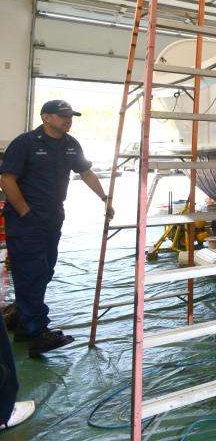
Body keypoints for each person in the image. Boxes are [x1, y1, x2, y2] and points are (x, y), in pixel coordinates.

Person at [0, 100, 114, 357]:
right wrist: (25, 212)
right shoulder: (26, 143)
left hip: (52, 217)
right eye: (62, 116)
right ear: (46, 117)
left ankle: (22, 320)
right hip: (26, 219)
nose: (67, 120)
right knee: (32, 270)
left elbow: (86, 173)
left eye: (70, 116)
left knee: (45, 269)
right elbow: (7, 179)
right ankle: (37, 331)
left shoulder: (71, 145)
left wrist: (104, 198)